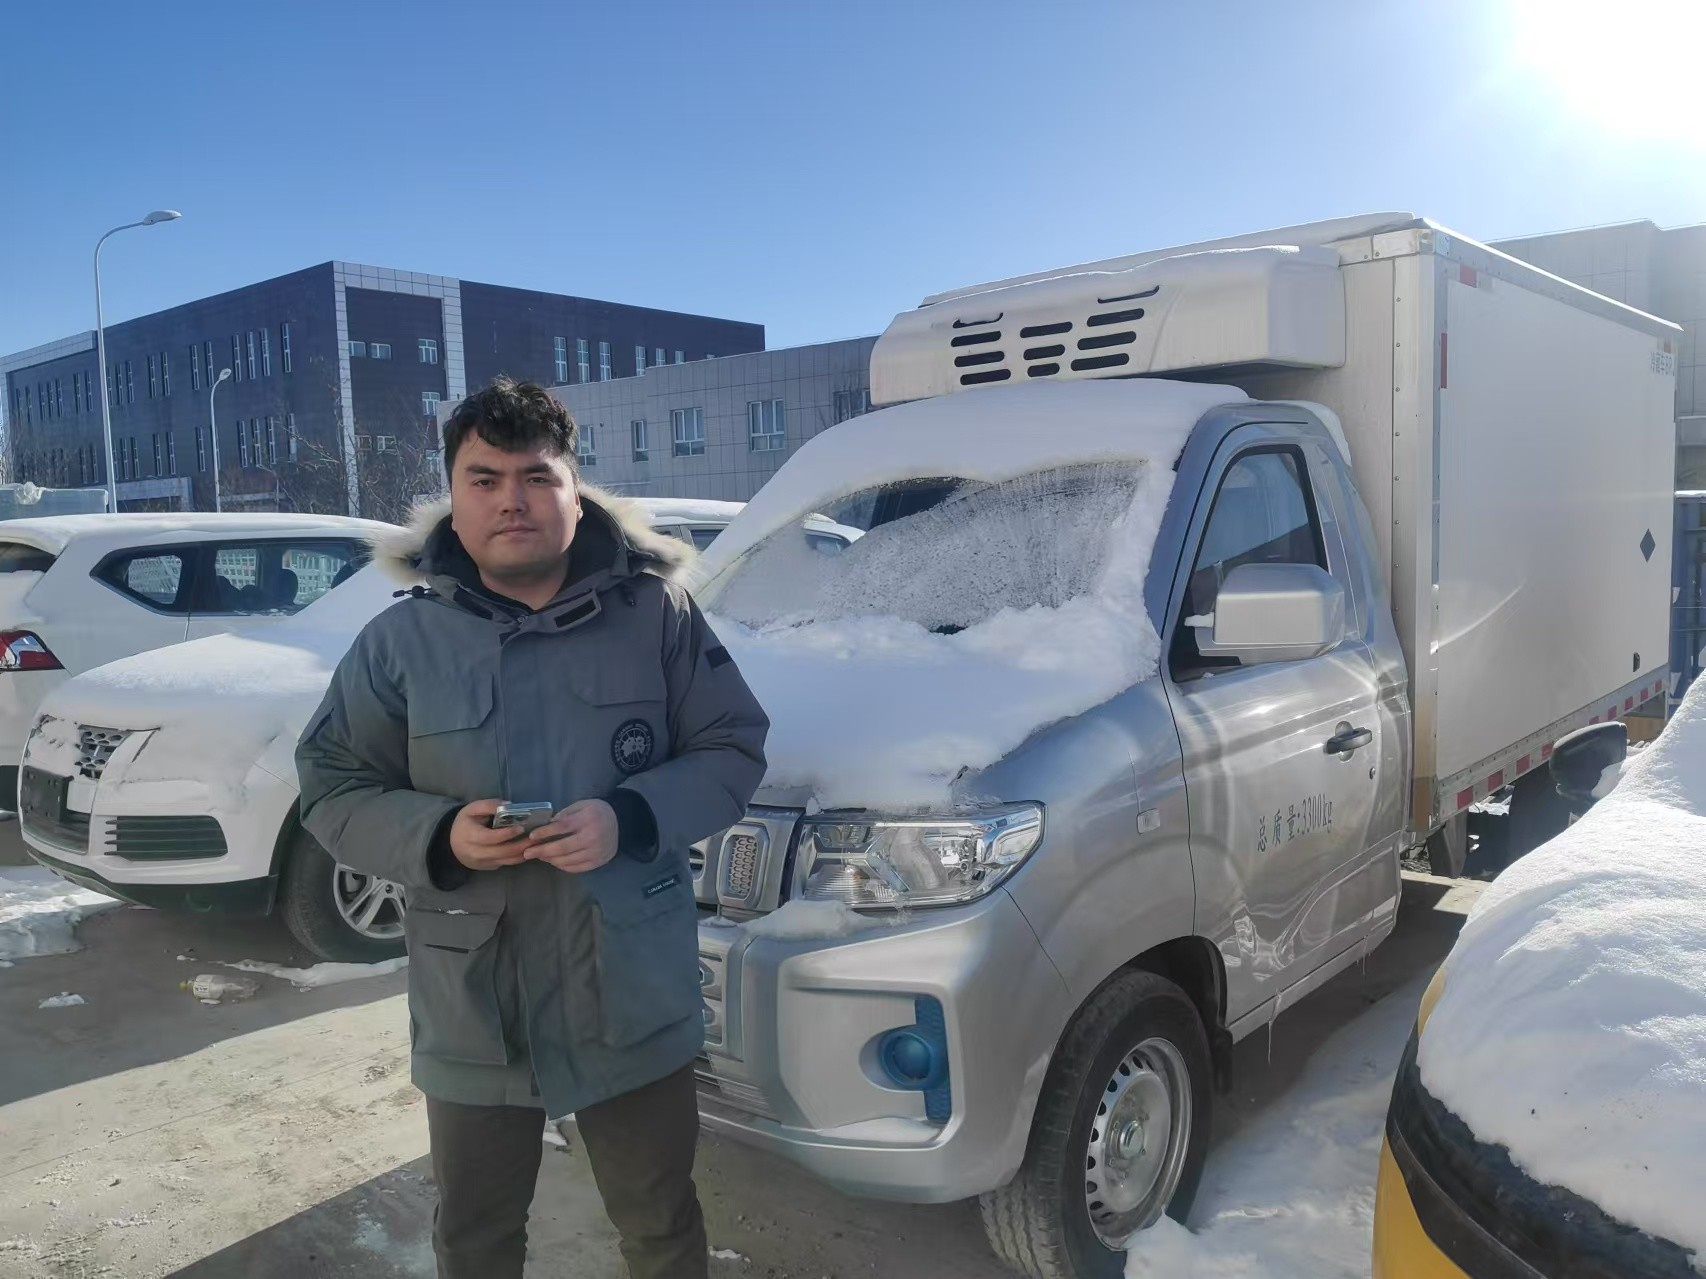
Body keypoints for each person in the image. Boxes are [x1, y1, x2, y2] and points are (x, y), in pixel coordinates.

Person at [296, 377, 768, 1279]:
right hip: (477, 1006)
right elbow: (331, 786)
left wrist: (630, 815)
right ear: (454, 495)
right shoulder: (401, 643)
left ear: (574, 489)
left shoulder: (655, 617)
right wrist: (440, 836)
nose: (511, 499)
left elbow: (732, 747)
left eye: (536, 476)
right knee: (475, 1238)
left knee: (662, 1226)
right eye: (485, 478)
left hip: (629, 991)